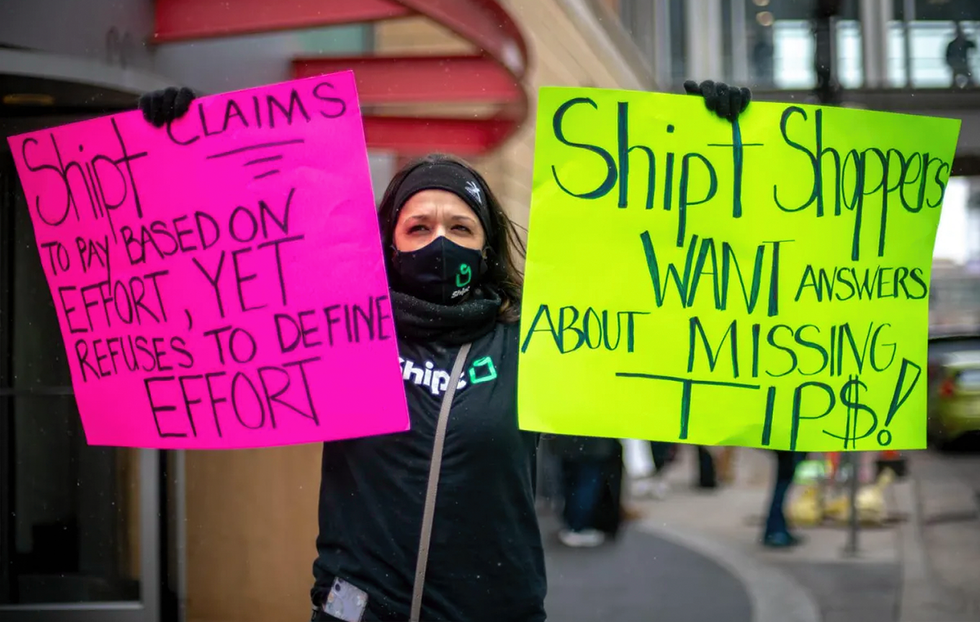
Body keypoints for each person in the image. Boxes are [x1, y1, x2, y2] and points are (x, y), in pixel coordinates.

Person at [138, 77, 751, 621]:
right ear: (391, 242)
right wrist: (184, 151)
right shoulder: (341, 335)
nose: (439, 242)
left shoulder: (535, 344)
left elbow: (663, 292)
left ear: (485, 250)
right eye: (419, 226)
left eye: (460, 228)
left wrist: (705, 143)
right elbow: (220, 271)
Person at [762, 450, 807, 548]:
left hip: (788, 445)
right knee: (783, 483)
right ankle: (776, 531)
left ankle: (776, 529)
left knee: (782, 483)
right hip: (792, 444)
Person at [945, 22, 976, 88]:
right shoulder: (953, 44)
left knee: (970, 80)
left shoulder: (964, 43)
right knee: (955, 81)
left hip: (963, 64)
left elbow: (973, 46)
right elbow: (947, 56)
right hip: (957, 65)